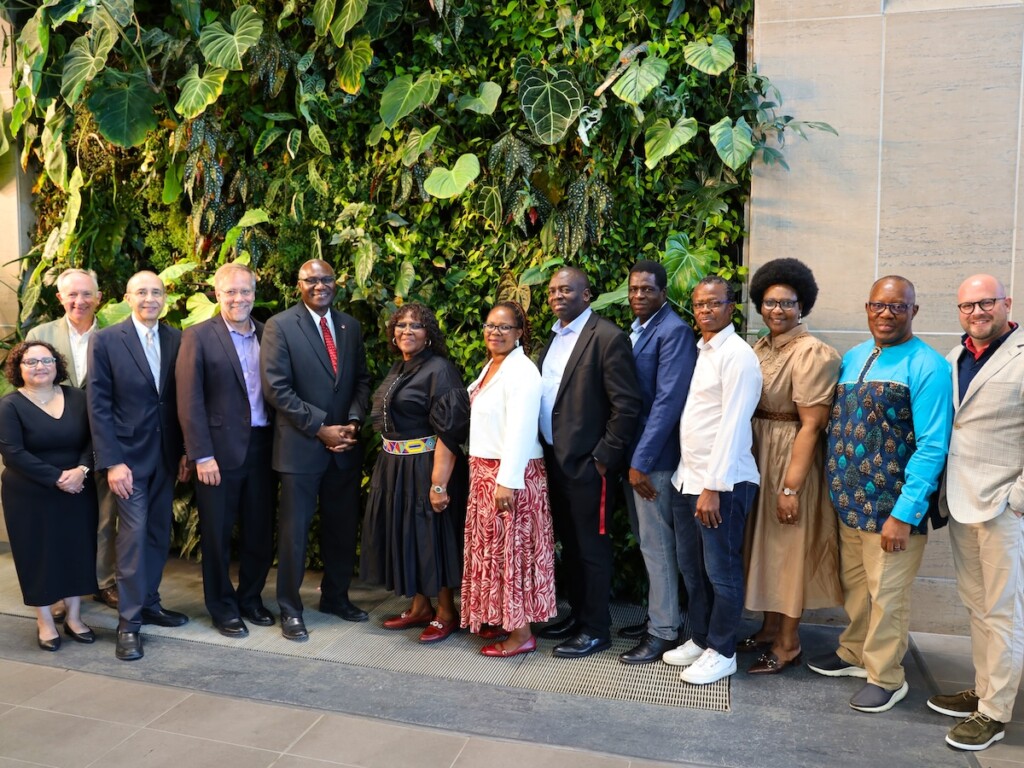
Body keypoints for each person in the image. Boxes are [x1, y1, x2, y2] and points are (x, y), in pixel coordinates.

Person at [809, 276, 952, 713]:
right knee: (857, 589)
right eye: (879, 305)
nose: (886, 314)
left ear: (914, 311)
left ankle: (887, 677)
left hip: (893, 508)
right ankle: (855, 652)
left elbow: (933, 445)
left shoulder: (928, 366)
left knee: (888, 596)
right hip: (849, 504)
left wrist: (905, 514)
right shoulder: (855, 357)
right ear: (868, 308)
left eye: (897, 306)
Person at [928, 274, 1023, 751]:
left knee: (1004, 612)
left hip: (1004, 507)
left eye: (986, 303)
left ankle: (996, 712)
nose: (976, 312)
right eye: (967, 305)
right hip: (963, 502)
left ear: (1007, 303)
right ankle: (985, 690)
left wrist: (1018, 499)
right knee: (977, 605)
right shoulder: (956, 357)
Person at [741, 258, 843, 675]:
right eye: (770, 302)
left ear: (803, 306)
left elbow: (813, 424)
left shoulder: (812, 352)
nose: (777, 310)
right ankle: (769, 627)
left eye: (787, 303)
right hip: (758, 452)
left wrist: (790, 488)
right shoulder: (760, 347)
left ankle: (788, 642)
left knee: (788, 547)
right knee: (765, 543)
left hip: (790, 455)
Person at [260, 259, 371, 642]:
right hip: (301, 448)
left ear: (335, 283)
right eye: (311, 280)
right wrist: (321, 428)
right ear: (299, 285)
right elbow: (276, 388)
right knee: (294, 533)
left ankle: (336, 598)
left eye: (326, 279)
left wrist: (353, 421)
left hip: (345, 447)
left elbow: (360, 380)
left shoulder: (350, 326)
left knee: (342, 528)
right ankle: (290, 609)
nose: (319, 285)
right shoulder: (280, 326)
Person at [536, 267, 641, 658]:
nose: (557, 296)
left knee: (591, 549)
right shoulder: (553, 337)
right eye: (552, 290)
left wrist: (602, 458)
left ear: (586, 294)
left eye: (566, 289)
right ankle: (578, 616)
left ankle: (596, 630)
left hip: (588, 467)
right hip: (553, 460)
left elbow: (626, 405)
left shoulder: (608, 337)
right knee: (570, 544)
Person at [662, 276, 762, 685]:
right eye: (700, 304)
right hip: (687, 480)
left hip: (722, 486)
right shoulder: (702, 350)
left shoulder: (737, 356)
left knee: (722, 572)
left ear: (730, 307)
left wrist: (713, 487)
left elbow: (734, 425)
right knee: (693, 569)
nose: (706, 310)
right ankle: (702, 639)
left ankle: (723, 651)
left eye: (714, 303)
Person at [87, 271, 190, 661]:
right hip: (127, 461)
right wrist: (112, 462)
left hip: (166, 456)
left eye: (157, 292)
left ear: (165, 298)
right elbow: (98, 405)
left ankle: (149, 601)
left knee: (159, 534)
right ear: (128, 298)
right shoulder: (106, 340)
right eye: (142, 292)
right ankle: (128, 624)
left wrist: (185, 451)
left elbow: (183, 400)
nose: (150, 298)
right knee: (132, 538)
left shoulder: (177, 338)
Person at [176, 263, 275, 638]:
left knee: (259, 531)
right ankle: (221, 607)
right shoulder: (198, 336)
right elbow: (189, 400)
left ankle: (250, 598)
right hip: (217, 454)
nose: (238, 298)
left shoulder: (268, 333)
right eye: (230, 291)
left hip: (263, 448)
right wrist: (201, 455)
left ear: (254, 293)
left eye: (245, 291)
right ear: (217, 294)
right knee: (217, 535)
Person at [360, 303, 469, 643]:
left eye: (415, 325)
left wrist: (439, 484)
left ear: (428, 335)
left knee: (432, 536)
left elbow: (450, 431)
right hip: (395, 467)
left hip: (426, 466)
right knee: (410, 535)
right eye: (401, 325)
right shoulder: (400, 366)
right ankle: (421, 606)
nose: (406, 330)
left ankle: (446, 612)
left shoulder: (440, 370)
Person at [462, 301, 556, 656]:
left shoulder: (522, 371)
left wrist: (508, 480)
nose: (495, 332)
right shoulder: (493, 365)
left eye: (504, 327)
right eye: (490, 325)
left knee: (513, 554)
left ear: (519, 333)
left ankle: (521, 635)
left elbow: (521, 429)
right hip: (487, 472)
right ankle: (503, 617)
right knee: (495, 552)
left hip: (511, 475)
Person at [618, 261, 696, 665]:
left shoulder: (674, 331)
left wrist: (641, 461)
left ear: (664, 293)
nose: (638, 296)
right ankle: (659, 616)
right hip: (637, 456)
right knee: (648, 542)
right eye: (633, 289)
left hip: (655, 461)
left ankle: (664, 631)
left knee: (658, 545)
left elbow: (668, 402)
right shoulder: (642, 329)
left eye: (647, 289)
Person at [27, 268, 118, 612]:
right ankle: (61, 585)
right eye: (72, 294)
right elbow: (27, 387)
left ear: (99, 297)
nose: (80, 301)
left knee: (106, 514)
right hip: (56, 440)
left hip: (104, 436)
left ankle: (103, 582)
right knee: (59, 516)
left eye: (87, 294)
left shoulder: (115, 334)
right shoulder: (41, 334)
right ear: (60, 298)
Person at [0, 342, 97, 651]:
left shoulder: (78, 398)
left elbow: (94, 439)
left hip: (78, 487)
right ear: (18, 368)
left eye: (46, 360)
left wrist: (81, 470)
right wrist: (57, 477)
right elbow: (13, 453)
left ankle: (74, 617)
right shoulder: (9, 406)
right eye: (31, 362)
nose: (40, 366)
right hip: (29, 493)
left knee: (77, 550)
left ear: (57, 364)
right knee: (37, 554)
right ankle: (44, 620)